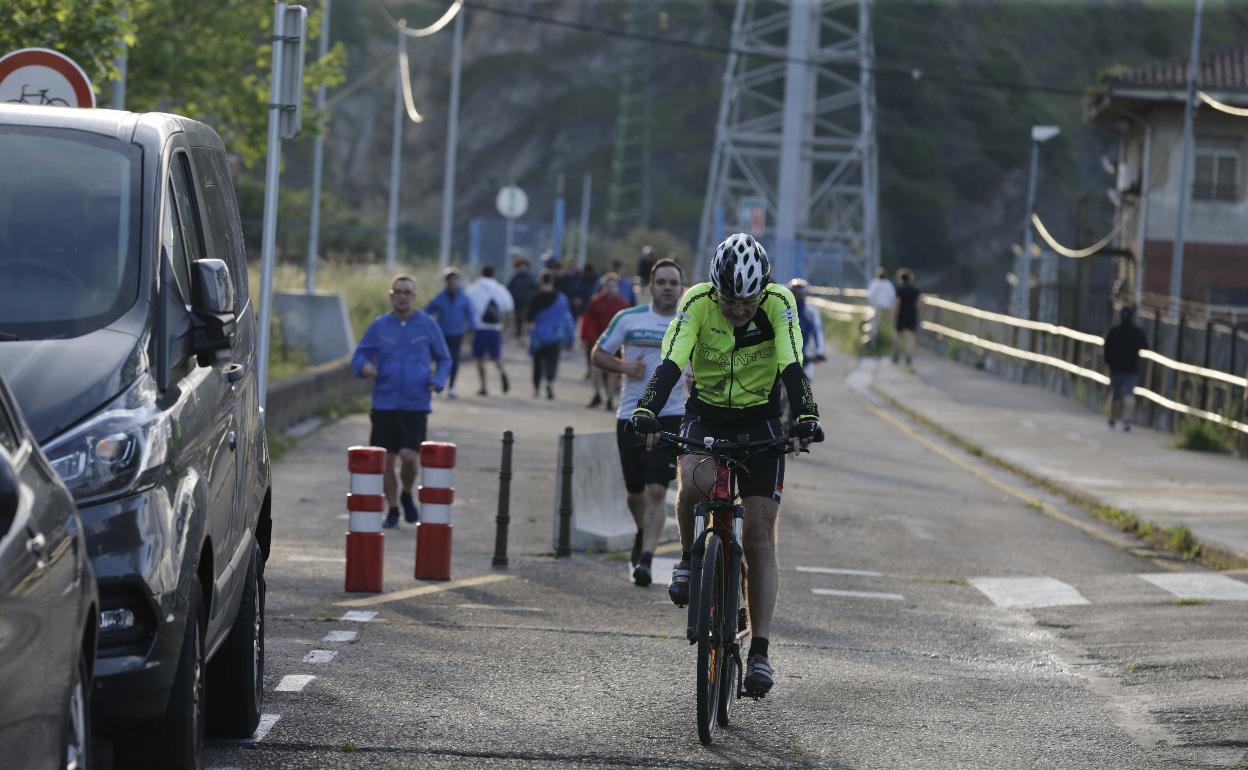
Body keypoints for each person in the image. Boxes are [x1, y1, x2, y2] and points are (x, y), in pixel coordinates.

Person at [629, 233, 823, 698]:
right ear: (715, 289)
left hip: (760, 422)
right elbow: (672, 360)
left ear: (764, 289)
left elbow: (792, 361)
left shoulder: (779, 304)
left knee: (758, 532)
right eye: (731, 300)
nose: (739, 309)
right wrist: (648, 409)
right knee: (694, 481)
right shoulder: (697, 302)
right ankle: (689, 560)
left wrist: (807, 416)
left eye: (748, 300)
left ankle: (759, 652)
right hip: (708, 414)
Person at [593, 259, 687, 586]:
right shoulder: (628, 319)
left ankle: (647, 557)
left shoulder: (690, 324)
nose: (667, 288)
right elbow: (598, 353)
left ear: (681, 288)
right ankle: (642, 531)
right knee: (635, 493)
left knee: (657, 490)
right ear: (650, 286)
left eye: (673, 283)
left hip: (671, 414)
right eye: (661, 282)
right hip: (631, 414)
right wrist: (622, 367)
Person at [352, 275, 451, 528]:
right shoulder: (379, 326)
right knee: (386, 461)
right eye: (398, 291)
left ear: (414, 297)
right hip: (384, 402)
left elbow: (444, 359)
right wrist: (365, 367)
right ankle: (393, 508)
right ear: (391, 295)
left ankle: (407, 493)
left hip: (415, 403)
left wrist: (438, 380)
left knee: (409, 457)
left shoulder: (427, 325)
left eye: (407, 292)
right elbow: (360, 354)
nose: (403, 296)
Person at [580, 273, 631, 409]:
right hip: (598, 340)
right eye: (607, 286)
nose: (609, 289)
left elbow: (628, 323)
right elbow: (587, 320)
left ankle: (609, 398)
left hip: (617, 343)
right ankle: (597, 394)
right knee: (595, 368)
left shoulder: (623, 303)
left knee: (613, 371)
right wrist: (584, 336)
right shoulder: (596, 301)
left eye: (612, 286)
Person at [425, 268, 476, 398]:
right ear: (446, 282)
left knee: (454, 360)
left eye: (455, 280)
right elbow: (427, 311)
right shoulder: (439, 297)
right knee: (441, 359)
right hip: (442, 334)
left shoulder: (464, 298)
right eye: (450, 281)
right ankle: (440, 382)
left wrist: (471, 330)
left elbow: (470, 315)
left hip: (457, 334)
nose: (453, 283)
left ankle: (452, 387)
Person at [466, 264, 514, 397]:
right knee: (496, 357)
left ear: (481, 274)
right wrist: (508, 329)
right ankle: (502, 371)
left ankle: (483, 386)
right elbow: (509, 309)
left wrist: (467, 331)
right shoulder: (500, 289)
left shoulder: (473, 289)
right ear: (494, 274)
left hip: (479, 328)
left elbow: (466, 308)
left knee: (479, 358)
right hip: (495, 329)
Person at [527, 269, 574, 399]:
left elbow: (529, 319)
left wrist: (526, 335)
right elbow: (567, 318)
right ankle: (549, 382)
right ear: (553, 281)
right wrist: (570, 335)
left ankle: (536, 388)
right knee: (552, 362)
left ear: (540, 281)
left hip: (539, 337)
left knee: (537, 363)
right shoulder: (561, 298)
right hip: (555, 335)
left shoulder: (535, 297)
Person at [1103, 306, 1149, 432]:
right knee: (1128, 394)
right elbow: (1146, 346)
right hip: (1131, 369)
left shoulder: (1113, 331)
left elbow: (1106, 349)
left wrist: (1108, 363)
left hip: (1115, 368)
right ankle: (1127, 421)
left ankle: (1112, 418)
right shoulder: (1137, 332)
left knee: (1116, 394)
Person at [788, 278, 826, 377]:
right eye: (795, 293)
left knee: (806, 382)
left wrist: (820, 351)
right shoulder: (782, 311)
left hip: (805, 356)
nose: (798, 296)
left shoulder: (811, 313)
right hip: (785, 356)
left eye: (800, 293)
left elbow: (818, 332)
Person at [892, 268, 921, 366]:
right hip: (911, 315)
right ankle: (908, 356)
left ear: (900, 278)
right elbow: (918, 305)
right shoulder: (915, 290)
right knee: (910, 337)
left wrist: (894, 315)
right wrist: (919, 316)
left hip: (901, 314)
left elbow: (896, 303)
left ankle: (896, 354)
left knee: (898, 335)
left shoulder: (899, 289)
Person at [507, 255, 538, 339]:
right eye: (520, 266)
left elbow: (535, 288)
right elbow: (508, 289)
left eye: (524, 266)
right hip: (516, 301)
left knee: (525, 319)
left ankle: (523, 335)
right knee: (517, 318)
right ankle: (517, 333)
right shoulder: (515, 277)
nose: (522, 268)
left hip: (527, 302)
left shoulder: (530, 277)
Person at [865, 267, 896, 347]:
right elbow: (892, 296)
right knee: (887, 326)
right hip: (886, 308)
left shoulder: (874, 283)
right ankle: (887, 345)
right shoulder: (888, 284)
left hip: (876, 307)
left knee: (874, 325)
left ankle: (874, 344)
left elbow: (870, 296)